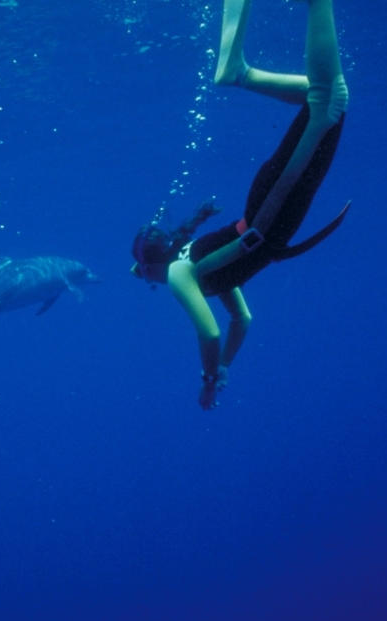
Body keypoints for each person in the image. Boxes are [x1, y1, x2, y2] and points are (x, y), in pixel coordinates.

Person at [131, 0, 350, 410]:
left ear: (150, 267)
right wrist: (225, 366)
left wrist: (209, 381)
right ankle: (239, 73)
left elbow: (211, 333)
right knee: (320, 97)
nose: (147, 281)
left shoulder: (180, 273)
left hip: (273, 206)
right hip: (274, 210)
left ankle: (244, 67)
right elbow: (241, 319)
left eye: (142, 274)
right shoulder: (200, 268)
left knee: (328, 97)